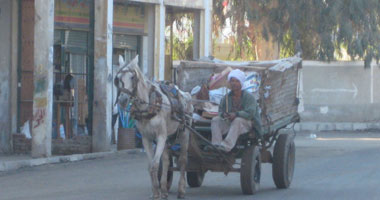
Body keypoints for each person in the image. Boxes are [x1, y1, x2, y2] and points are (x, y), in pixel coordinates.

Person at [211, 69, 261, 152]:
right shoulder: (226, 97)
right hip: (230, 123)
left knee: (237, 120)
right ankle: (216, 145)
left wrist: (236, 114)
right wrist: (224, 115)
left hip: (246, 124)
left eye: (237, 81)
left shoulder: (249, 97)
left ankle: (226, 146)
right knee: (215, 120)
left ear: (241, 83)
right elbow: (220, 111)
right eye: (232, 81)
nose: (234, 83)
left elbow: (250, 113)